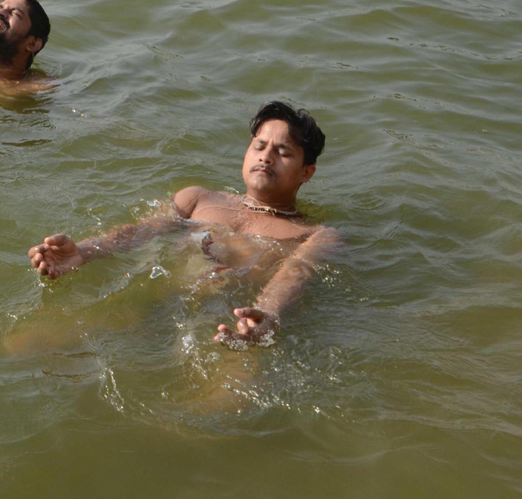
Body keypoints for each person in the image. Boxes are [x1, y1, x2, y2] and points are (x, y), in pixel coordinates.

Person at [28, 101, 340, 349]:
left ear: (306, 173)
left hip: (216, 323)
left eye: (283, 152)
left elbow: (289, 280)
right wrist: (84, 251)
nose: (267, 157)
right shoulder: (197, 199)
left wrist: (266, 319)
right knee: (23, 345)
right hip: (147, 301)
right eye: (259, 146)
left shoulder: (312, 236)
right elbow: (138, 232)